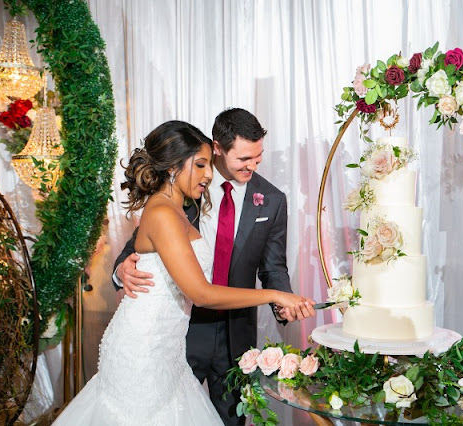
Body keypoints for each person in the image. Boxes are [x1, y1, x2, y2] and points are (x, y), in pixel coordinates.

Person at [53, 121, 312, 425]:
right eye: (243, 159)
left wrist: (283, 301)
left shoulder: (266, 199)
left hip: (193, 344)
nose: (208, 174)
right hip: (154, 343)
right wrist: (123, 268)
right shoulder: (167, 208)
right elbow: (197, 290)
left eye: (258, 157)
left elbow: (273, 266)